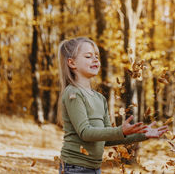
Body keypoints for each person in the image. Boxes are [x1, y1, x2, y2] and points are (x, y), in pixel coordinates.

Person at [57, 37, 168, 174]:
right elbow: (85, 133)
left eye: (96, 56)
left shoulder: (100, 98)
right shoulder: (72, 93)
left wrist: (143, 135)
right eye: (88, 56)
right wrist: (120, 130)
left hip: (94, 168)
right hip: (75, 167)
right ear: (72, 63)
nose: (95, 59)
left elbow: (107, 139)